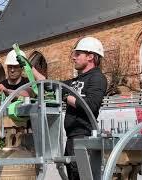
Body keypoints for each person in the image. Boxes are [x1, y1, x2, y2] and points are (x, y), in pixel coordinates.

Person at [17, 36, 107, 180]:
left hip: (85, 138)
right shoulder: (75, 81)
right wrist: (29, 67)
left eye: (78, 54)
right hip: (72, 138)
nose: (73, 57)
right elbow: (49, 84)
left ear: (90, 56)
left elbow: (91, 105)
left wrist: (65, 96)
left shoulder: (97, 78)